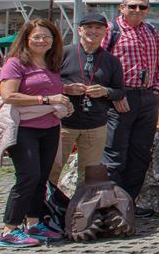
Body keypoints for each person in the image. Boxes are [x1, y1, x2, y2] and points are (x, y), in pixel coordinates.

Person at [0, 19, 71, 248]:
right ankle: (10, 229)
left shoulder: (51, 63)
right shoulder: (15, 63)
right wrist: (47, 99)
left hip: (49, 127)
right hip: (24, 128)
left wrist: (67, 91)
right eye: (36, 37)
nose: (42, 40)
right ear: (26, 39)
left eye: (46, 36)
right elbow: (9, 95)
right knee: (27, 177)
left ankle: (34, 223)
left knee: (41, 178)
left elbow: (46, 87)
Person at [104, 0, 159, 215]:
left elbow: (157, 62)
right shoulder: (112, 31)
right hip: (121, 96)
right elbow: (102, 64)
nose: (137, 10)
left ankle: (128, 202)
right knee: (115, 152)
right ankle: (112, 203)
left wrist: (156, 90)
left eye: (142, 7)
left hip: (147, 96)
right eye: (132, 6)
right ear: (122, 7)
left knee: (140, 152)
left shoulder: (151, 31)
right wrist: (115, 95)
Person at [51, 12, 125, 187]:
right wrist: (65, 88)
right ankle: (46, 210)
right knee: (52, 170)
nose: (93, 31)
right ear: (79, 30)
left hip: (95, 125)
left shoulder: (112, 61)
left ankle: (82, 212)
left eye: (98, 28)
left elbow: (120, 92)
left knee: (89, 175)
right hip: (63, 124)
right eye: (89, 27)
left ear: (105, 32)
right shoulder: (63, 53)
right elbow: (46, 83)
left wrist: (105, 91)